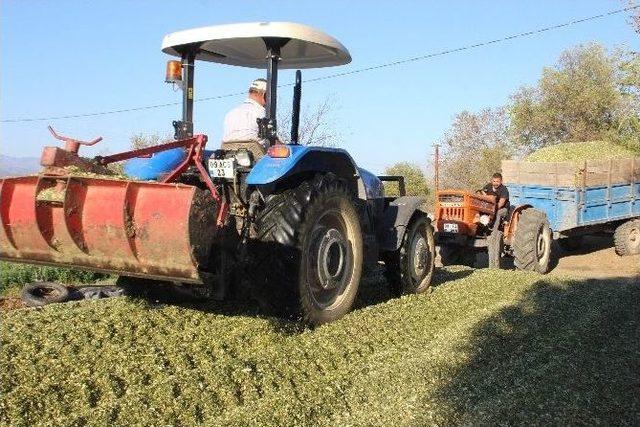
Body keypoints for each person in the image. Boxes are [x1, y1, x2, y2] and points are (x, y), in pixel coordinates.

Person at [221, 78, 268, 149]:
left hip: (229, 155)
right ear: (265, 95)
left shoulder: (231, 113)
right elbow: (273, 141)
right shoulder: (262, 113)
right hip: (256, 156)